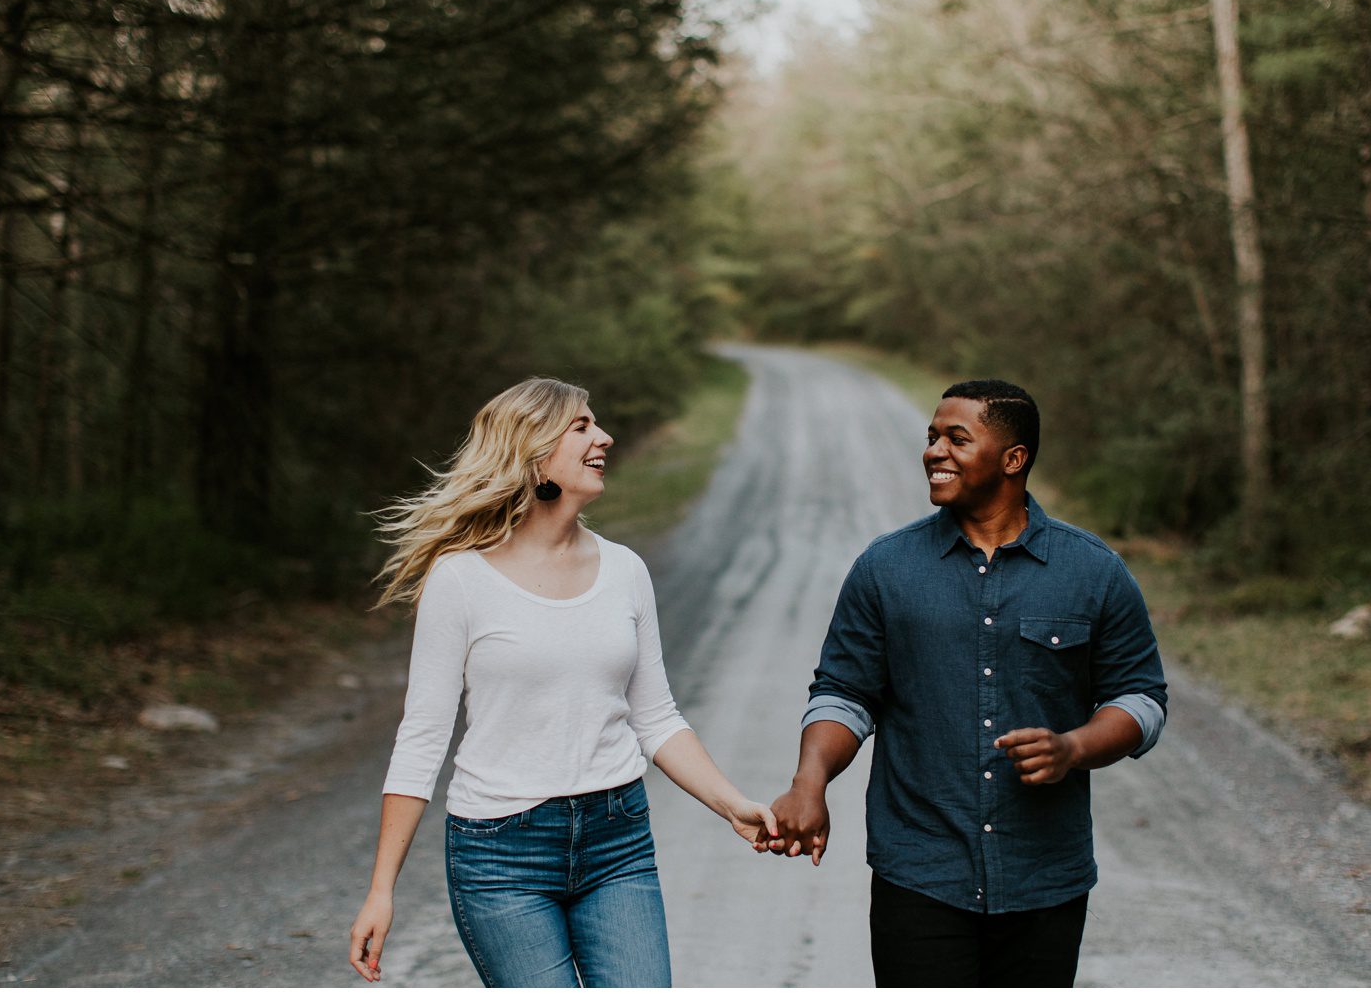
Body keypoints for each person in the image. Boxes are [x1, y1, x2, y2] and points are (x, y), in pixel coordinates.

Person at [348, 377, 777, 987]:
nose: (605, 437)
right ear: (531, 451)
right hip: (502, 854)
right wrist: (381, 891)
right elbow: (422, 738)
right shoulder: (460, 579)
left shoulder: (625, 570)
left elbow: (656, 718)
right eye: (581, 426)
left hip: (617, 842)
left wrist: (732, 805)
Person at [765, 379, 1167, 987]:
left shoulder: (1094, 572)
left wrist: (1072, 748)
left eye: (957, 438)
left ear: (1013, 458)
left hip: (1044, 878)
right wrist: (808, 782)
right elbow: (844, 694)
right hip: (918, 873)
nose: (934, 451)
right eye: (932, 437)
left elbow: (1141, 697)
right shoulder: (885, 568)